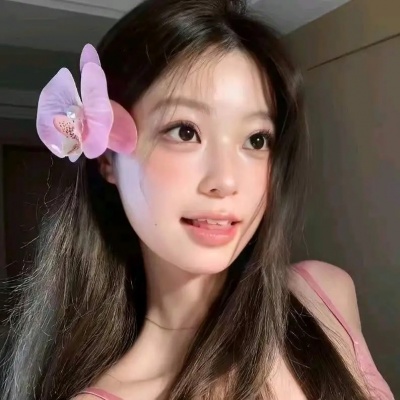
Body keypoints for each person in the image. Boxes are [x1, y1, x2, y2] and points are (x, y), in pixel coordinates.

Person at [0, 0, 394, 399]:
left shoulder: (325, 295)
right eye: (185, 132)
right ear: (107, 160)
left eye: (256, 140)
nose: (226, 181)